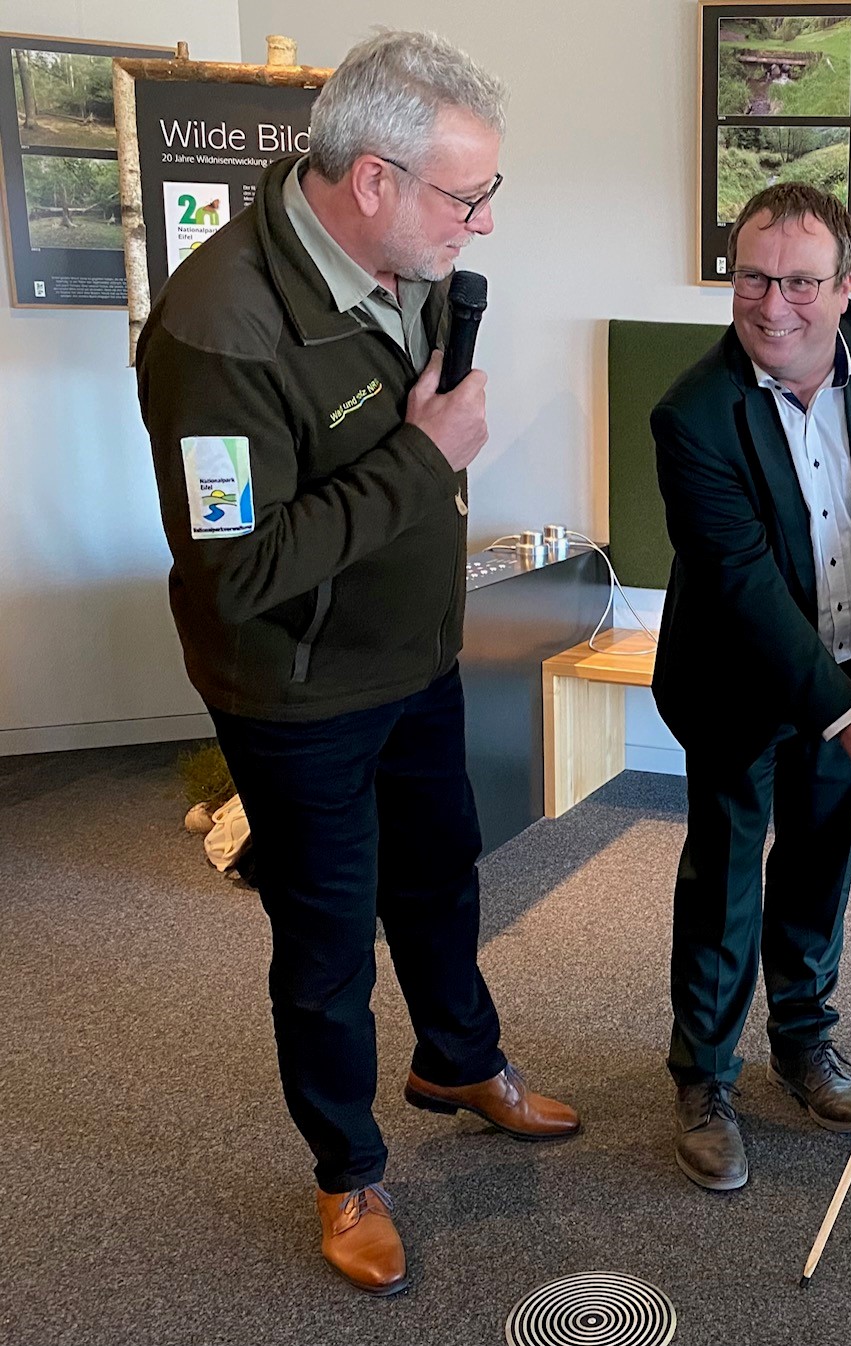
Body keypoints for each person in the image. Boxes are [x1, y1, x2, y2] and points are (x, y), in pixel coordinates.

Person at [136, 31, 577, 1297]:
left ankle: (458, 1057)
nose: (479, 226)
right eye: (465, 196)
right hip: (298, 695)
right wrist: (428, 459)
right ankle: (348, 1171)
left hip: (413, 663)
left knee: (440, 879)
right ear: (373, 179)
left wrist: (420, 468)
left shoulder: (405, 259)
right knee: (326, 944)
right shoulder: (216, 327)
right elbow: (240, 570)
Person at [650, 183, 851, 1191]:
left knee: (822, 859)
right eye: (753, 278)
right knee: (727, 871)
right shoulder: (692, 412)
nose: (774, 305)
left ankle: (803, 1042)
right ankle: (702, 1078)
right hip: (740, 671)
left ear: (847, 284)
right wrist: (841, 713)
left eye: (801, 282)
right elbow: (739, 586)